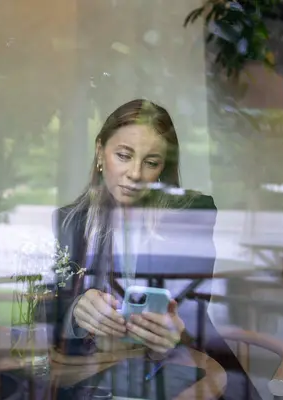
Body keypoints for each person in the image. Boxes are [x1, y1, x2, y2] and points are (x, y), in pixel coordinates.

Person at [52, 99, 261, 399]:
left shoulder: (190, 215)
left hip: (180, 372)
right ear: (100, 153)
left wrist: (178, 333)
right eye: (123, 156)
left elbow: (194, 308)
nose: (135, 174)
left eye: (151, 163)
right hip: (94, 376)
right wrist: (76, 313)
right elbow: (45, 311)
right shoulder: (69, 221)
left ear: (163, 169)